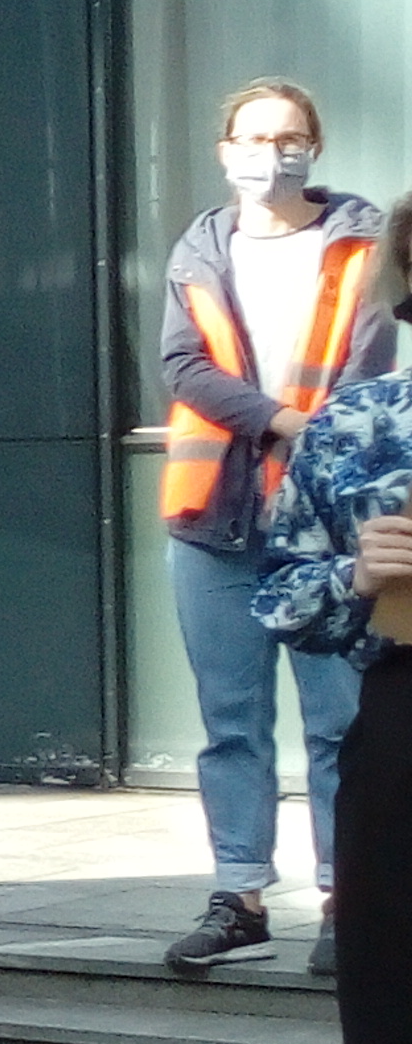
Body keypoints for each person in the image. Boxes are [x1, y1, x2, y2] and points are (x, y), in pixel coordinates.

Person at [160, 80, 385, 975]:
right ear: (225, 152)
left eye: (289, 137)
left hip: (326, 521)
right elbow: (182, 365)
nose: (271, 153)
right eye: (253, 138)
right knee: (231, 722)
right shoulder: (199, 247)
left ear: (314, 146)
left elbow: (368, 364)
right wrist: (281, 421)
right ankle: (240, 897)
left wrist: (308, 440)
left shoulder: (362, 242)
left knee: (338, 724)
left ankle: (345, 900)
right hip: (213, 515)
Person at [250, 200, 412, 1044]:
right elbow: (278, 591)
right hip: (402, 724)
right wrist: (356, 574)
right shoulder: (359, 422)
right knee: (394, 1030)